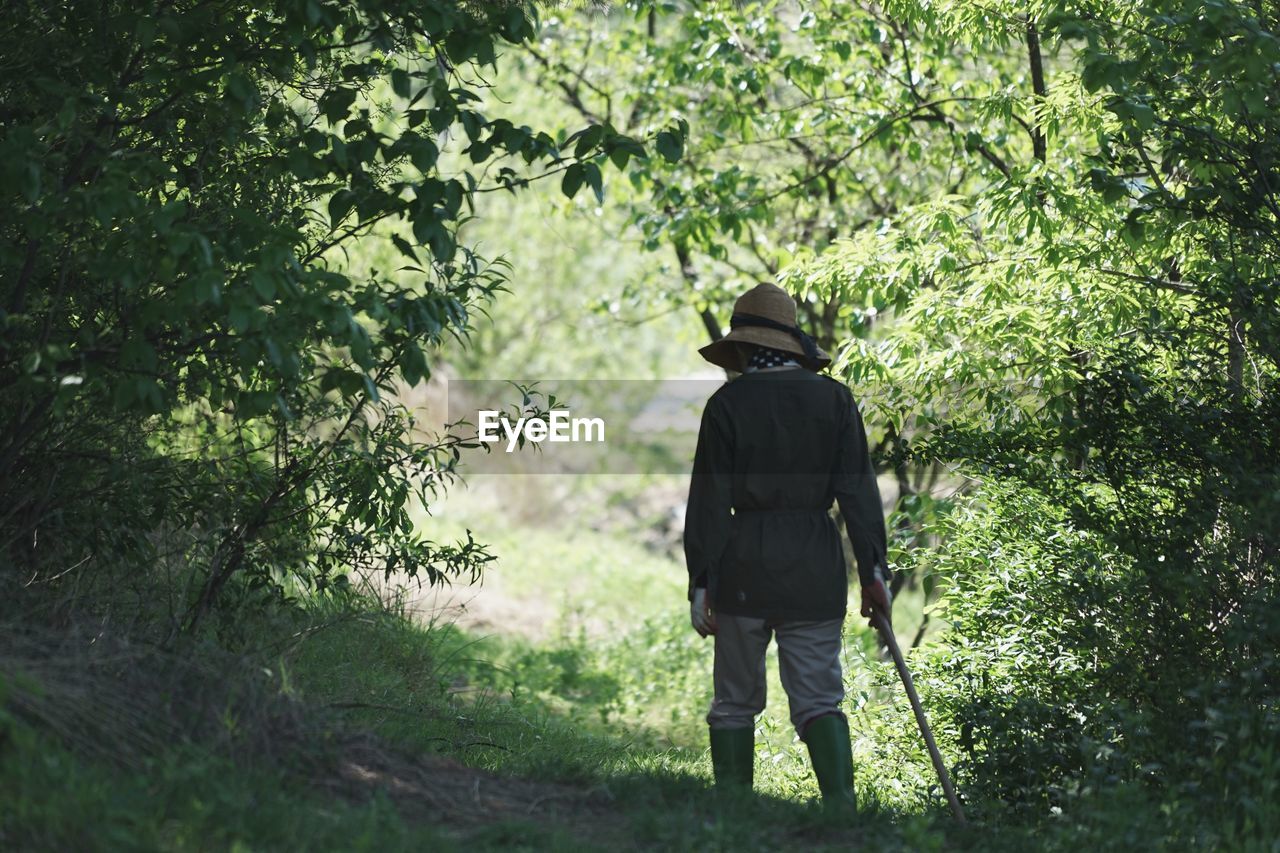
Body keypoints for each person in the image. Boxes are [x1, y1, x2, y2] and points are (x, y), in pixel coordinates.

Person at [683, 281, 892, 809]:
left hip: (742, 565)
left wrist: (700, 581)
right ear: (792, 342)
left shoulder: (726, 405)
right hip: (814, 566)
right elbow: (859, 495)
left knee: (734, 701)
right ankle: (840, 813)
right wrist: (874, 573)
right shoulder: (835, 399)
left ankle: (734, 815)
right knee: (820, 699)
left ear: (745, 347)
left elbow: (709, 499)